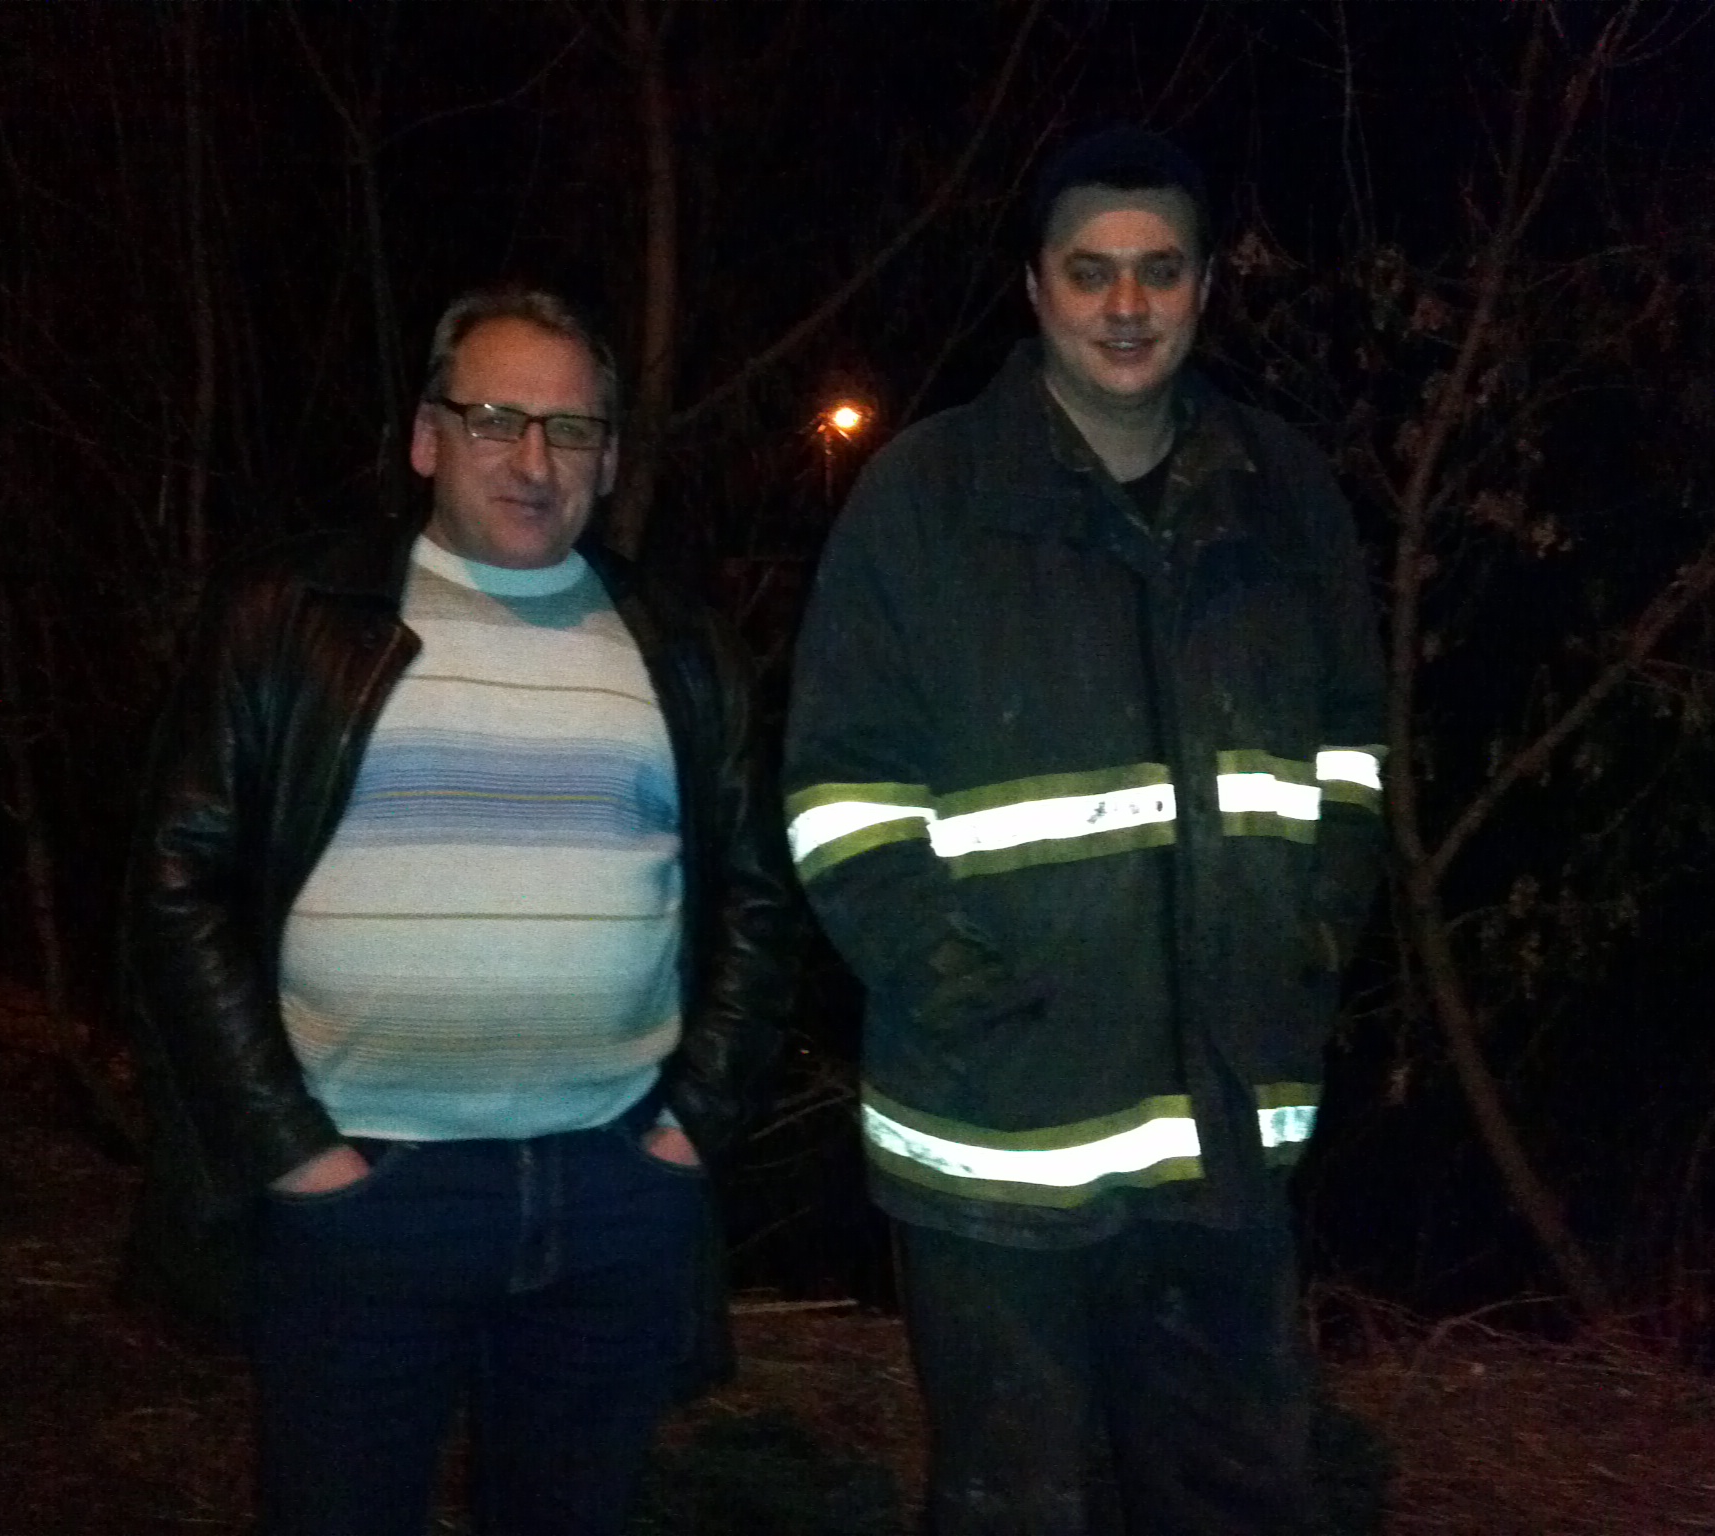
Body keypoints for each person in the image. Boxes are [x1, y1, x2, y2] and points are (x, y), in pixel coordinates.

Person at [783, 129, 1386, 1534]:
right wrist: (952, 982)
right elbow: (840, 787)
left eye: (1159, 271)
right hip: (998, 1138)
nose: (1126, 305)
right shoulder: (924, 499)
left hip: (1228, 1130)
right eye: (1090, 270)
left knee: (1238, 1496)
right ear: (1035, 288)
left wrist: (1314, 930)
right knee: (1018, 1505)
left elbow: (1353, 748)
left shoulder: (1284, 493)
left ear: (1206, 287)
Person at [122, 286, 794, 1536]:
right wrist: (292, 1150)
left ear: (608, 458)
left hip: (609, 1189)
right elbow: (177, 886)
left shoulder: (678, 647)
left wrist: (688, 1130)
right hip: (367, 1192)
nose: (534, 461)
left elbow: (760, 899)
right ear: (427, 437)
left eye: (571, 429)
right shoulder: (295, 621)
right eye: (496, 420)